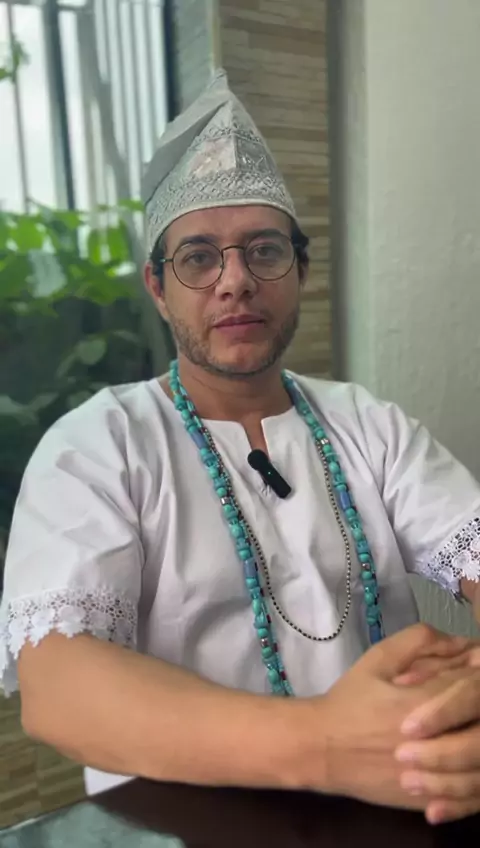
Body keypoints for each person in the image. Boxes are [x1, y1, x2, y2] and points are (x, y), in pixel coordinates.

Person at [1, 70, 479, 825]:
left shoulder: (368, 425)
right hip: (185, 828)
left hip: (392, 803)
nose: (235, 282)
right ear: (158, 287)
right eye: (198, 257)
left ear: (301, 271)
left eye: (264, 250)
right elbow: (59, 688)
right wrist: (326, 744)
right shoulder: (98, 447)